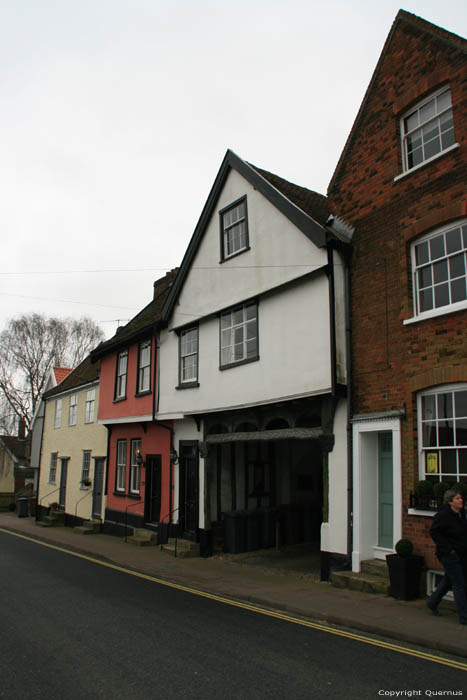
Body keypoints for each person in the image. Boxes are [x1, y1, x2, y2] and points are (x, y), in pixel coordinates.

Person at [426, 488, 467, 624]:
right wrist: (448, 549)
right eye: (457, 498)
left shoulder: (461, 513)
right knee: (459, 583)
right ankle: (464, 616)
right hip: (448, 555)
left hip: (461, 553)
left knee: (449, 580)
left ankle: (432, 602)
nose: (461, 500)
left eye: (461, 498)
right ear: (450, 502)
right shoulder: (443, 515)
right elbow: (434, 532)